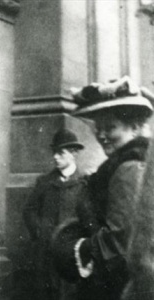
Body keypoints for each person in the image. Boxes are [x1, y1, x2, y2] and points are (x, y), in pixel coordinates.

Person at [52, 76, 153, 300]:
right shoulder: (130, 164)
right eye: (99, 127)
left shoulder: (128, 168)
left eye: (111, 127)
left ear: (135, 128)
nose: (101, 135)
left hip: (115, 285)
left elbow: (120, 241)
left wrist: (78, 249)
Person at [23, 128, 88, 300]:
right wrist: (40, 231)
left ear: (74, 153)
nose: (55, 157)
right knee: (46, 291)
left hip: (72, 250)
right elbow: (29, 210)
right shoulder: (44, 182)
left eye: (61, 153)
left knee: (70, 291)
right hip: (46, 250)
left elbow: (90, 217)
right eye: (54, 153)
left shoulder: (85, 182)